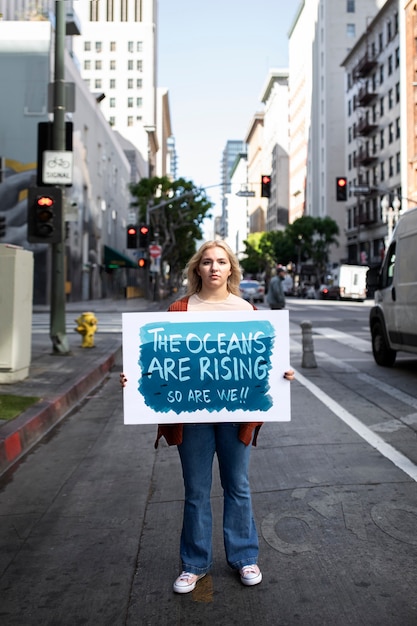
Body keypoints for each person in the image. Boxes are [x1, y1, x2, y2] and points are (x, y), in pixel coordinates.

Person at [120, 240, 295, 594]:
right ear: (196, 269)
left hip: (237, 411)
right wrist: (134, 377)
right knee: (196, 490)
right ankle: (194, 564)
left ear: (231, 269)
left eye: (221, 262)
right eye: (206, 262)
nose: (214, 267)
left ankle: (245, 558)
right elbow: (158, 360)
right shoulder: (179, 310)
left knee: (238, 486)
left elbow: (262, 361)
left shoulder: (247, 311)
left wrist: (281, 374)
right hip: (192, 413)